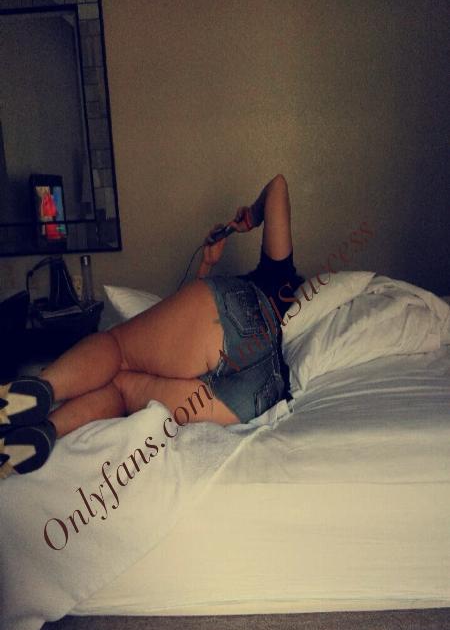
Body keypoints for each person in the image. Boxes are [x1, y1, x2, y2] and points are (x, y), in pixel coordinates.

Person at [0, 174, 304, 479]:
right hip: (256, 393)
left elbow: (277, 186)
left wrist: (250, 218)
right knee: (121, 390)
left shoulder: (278, 276)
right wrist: (207, 264)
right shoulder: (293, 297)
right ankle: (47, 431)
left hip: (240, 314)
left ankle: (40, 389)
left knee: (118, 350)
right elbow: (189, 340)